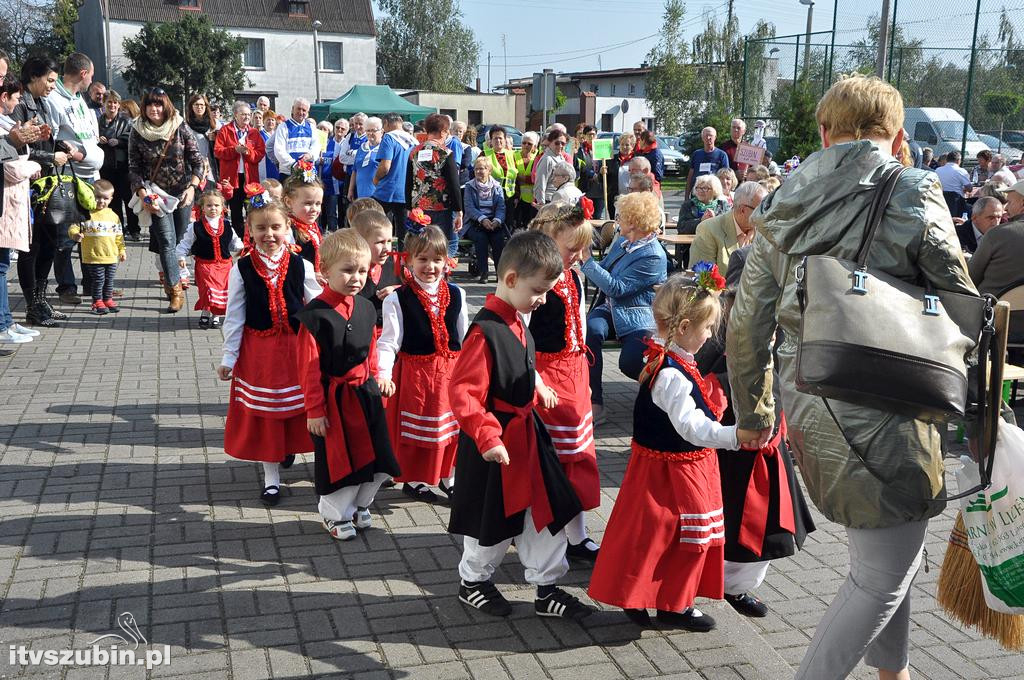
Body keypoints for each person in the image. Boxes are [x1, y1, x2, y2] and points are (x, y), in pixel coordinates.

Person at [727, 74, 977, 680]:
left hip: (810, 399)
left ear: (823, 131)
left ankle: (895, 673)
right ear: (896, 135)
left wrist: (757, 415)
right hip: (895, 397)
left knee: (882, 558)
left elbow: (745, 326)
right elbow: (960, 303)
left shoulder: (780, 201)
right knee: (881, 574)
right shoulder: (914, 190)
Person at [590, 272, 757, 631]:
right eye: (708, 327)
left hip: (668, 467)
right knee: (683, 539)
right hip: (676, 473)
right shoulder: (671, 374)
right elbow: (691, 427)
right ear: (683, 326)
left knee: (656, 537)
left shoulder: (669, 358)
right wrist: (735, 436)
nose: (711, 334)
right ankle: (668, 603)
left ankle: (658, 600)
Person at [447, 230, 592, 621]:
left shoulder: (516, 318)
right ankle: (473, 581)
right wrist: (487, 435)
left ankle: (547, 589)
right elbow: (463, 393)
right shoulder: (485, 331)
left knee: (544, 513)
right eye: (539, 291)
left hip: (528, 438)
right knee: (491, 521)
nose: (543, 299)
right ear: (511, 280)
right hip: (496, 446)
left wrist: (539, 385)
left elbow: (521, 364)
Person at [294, 228, 400, 539]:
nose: (356, 278)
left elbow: (370, 347)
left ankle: (360, 503)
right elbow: (308, 368)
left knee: (378, 455)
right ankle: (334, 513)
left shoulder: (366, 307)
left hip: (365, 393)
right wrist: (314, 410)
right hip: (334, 400)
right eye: (347, 270)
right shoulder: (314, 317)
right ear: (324, 271)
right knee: (340, 459)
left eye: (362, 271)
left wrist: (379, 375)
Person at [218, 188, 321, 505]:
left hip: (294, 350)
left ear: (287, 228)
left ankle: (311, 462)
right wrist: (229, 357)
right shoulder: (242, 268)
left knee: (301, 408)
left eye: (276, 227)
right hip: (259, 353)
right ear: (249, 230)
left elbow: (316, 305)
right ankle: (271, 477)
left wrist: (327, 343)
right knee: (267, 415)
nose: (269, 234)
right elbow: (234, 316)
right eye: (261, 228)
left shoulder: (300, 264)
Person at [526, 202, 601, 562]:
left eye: (581, 248)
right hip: (545, 377)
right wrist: (534, 379)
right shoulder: (533, 279)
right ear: (546, 239)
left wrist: (586, 378)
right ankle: (541, 533)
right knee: (553, 461)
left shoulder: (572, 276)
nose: (578, 255)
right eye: (571, 248)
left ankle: (577, 534)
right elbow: (518, 335)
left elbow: (581, 326)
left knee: (579, 456)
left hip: (574, 373)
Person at [377, 225, 468, 503]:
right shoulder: (397, 298)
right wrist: (383, 372)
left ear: (446, 261)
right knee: (420, 432)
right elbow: (389, 341)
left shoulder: (457, 293)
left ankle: (448, 477)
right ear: (409, 260)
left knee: (451, 429)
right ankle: (415, 479)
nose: (430, 266)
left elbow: (464, 338)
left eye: (437, 259)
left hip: (450, 373)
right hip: (416, 375)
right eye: (423, 259)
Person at [581, 191, 667, 425]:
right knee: (591, 331)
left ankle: (661, 396)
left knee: (629, 362)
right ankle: (595, 402)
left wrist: (587, 262)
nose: (617, 219)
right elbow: (605, 270)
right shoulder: (622, 242)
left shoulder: (654, 256)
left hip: (637, 316)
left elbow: (618, 288)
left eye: (622, 216)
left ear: (635, 221)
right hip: (609, 310)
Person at [11, 55, 83, 327]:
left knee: (50, 243)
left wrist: (62, 148)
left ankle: (42, 299)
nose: (53, 85)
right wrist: (49, 158)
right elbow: (18, 149)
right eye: (50, 80)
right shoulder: (20, 104)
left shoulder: (41, 103)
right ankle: (32, 304)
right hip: (28, 185)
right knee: (32, 247)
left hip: (47, 186)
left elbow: (48, 139)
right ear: (33, 77)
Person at [128, 88, 204, 313]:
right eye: (150, 104)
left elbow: (197, 161)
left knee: (180, 239)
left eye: (159, 104)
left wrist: (192, 187)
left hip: (182, 194)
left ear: (166, 106)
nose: (155, 109)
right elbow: (133, 168)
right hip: (155, 195)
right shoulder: (137, 130)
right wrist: (143, 194)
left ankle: (172, 278)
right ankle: (175, 289)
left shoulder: (180, 126)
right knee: (167, 242)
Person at [48, 52, 103, 305]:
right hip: (68, 176)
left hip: (90, 175)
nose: (92, 80)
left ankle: (92, 284)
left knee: (90, 231)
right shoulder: (54, 99)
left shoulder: (79, 99)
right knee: (67, 233)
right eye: (91, 75)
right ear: (83, 74)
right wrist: (75, 154)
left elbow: (88, 135)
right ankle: (66, 287)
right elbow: (53, 137)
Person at [0, 74, 41, 344]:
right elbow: (11, 167)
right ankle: (3, 324)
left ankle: (6, 321)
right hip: (6, 203)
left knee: (3, 265)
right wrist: (35, 165)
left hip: (12, 203)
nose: (17, 103)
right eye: (15, 98)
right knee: (1, 267)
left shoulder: (7, 123)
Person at [175, 188, 242, 329]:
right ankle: (205, 314)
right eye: (209, 205)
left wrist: (242, 248)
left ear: (222, 207)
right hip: (205, 265)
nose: (213, 208)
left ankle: (216, 316)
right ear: (202, 208)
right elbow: (185, 243)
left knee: (220, 292)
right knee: (207, 290)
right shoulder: (196, 226)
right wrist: (180, 255)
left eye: (217, 205)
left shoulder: (227, 225)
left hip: (224, 265)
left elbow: (235, 242)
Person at [405, 113, 463, 256]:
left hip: (419, 209)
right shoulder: (445, 153)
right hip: (442, 208)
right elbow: (453, 184)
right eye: (447, 131)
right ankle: (441, 273)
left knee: (421, 245)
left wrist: (408, 207)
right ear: (443, 131)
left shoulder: (414, 152)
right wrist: (459, 210)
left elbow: (408, 182)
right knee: (448, 244)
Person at [67, 179, 124, 315]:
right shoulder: (86, 213)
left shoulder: (113, 216)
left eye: (105, 198)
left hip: (111, 256)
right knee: (99, 280)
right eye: (98, 197)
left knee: (109, 280)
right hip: (93, 256)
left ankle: (107, 299)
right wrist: (75, 235)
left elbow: (119, 235)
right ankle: (97, 301)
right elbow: (73, 227)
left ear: (111, 199)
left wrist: (122, 250)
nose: (101, 201)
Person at [688, 181, 769, 274]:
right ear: (743, 210)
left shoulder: (765, 231)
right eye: (761, 210)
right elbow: (703, 279)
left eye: (767, 208)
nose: (766, 214)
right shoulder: (708, 229)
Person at [213, 101, 265, 236]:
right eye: (243, 114)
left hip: (250, 179)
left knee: (251, 211)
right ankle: (239, 241)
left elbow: (260, 153)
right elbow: (217, 151)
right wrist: (234, 150)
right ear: (235, 115)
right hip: (232, 178)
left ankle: (252, 239)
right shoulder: (225, 130)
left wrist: (248, 153)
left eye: (248, 114)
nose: (246, 117)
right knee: (235, 211)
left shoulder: (254, 132)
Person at [350, 209, 401, 334]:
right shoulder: (349, 270)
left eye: (389, 241)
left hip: (391, 334)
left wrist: (396, 290)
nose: (386, 248)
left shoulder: (395, 262)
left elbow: (414, 288)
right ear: (360, 241)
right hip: (361, 334)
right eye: (380, 242)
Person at [969, 183, 1024, 295]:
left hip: (990, 307)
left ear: (1023, 203)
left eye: (1009, 202)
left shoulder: (998, 234)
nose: (1006, 208)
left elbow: (970, 278)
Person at [97, 91, 138, 241]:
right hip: (106, 165)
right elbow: (92, 135)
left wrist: (119, 141)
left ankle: (134, 229)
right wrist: (98, 139)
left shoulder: (126, 120)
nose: (112, 105)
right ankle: (118, 228)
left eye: (115, 102)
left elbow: (132, 137)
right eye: (109, 102)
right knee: (113, 200)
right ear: (104, 104)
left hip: (123, 165)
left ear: (119, 105)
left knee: (128, 199)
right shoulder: (98, 120)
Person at [463, 156, 510, 283]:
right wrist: (482, 219)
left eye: (482, 169)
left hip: (493, 221)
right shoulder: (469, 186)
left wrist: (497, 220)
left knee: (498, 239)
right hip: (475, 222)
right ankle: (484, 272)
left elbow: (501, 207)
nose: (478, 171)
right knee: (481, 238)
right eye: (476, 169)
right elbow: (469, 208)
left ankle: (500, 273)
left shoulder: (497, 187)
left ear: (489, 170)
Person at [373, 113, 416, 245]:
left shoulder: (389, 138)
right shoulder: (414, 141)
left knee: (374, 225)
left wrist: (376, 178)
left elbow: (385, 166)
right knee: (403, 232)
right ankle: (403, 263)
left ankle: (375, 258)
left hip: (387, 190)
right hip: (406, 192)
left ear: (386, 123)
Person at [283, 163, 325, 278]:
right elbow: (287, 264)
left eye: (318, 204)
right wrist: (310, 275)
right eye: (308, 203)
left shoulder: (314, 227)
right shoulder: (288, 230)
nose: (314, 209)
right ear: (288, 202)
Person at [272, 98, 319, 175]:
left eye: (304, 110)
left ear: (307, 112)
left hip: (307, 172)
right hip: (288, 173)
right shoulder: (283, 127)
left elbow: (316, 146)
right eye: (298, 109)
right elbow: (279, 150)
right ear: (293, 109)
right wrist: (294, 165)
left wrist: (310, 155)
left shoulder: (311, 127)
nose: (301, 112)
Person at [320, 118, 348, 232]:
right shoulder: (327, 143)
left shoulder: (348, 143)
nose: (339, 130)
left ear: (347, 131)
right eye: (337, 127)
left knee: (342, 211)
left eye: (343, 128)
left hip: (344, 183)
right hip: (329, 183)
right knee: (330, 212)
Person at [572, 125, 605, 220]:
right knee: (586, 217)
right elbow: (580, 166)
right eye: (589, 135)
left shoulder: (601, 149)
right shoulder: (580, 150)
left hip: (600, 189)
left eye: (593, 134)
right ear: (585, 136)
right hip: (586, 188)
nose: (591, 137)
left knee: (598, 217)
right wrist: (593, 175)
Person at [484, 126, 518, 218]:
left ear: (505, 139)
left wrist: (516, 197)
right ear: (490, 140)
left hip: (509, 197)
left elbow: (516, 177)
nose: (498, 141)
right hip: (491, 197)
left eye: (500, 138)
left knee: (509, 224)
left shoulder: (512, 155)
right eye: (495, 138)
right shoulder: (485, 154)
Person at [687, 127, 730, 198]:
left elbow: (725, 177)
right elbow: (690, 177)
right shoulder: (696, 154)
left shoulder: (722, 155)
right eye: (706, 135)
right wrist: (686, 197)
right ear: (702, 137)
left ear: (715, 137)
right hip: (697, 194)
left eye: (711, 135)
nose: (708, 137)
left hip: (714, 194)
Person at [348, 116, 382, 201]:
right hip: (361, 194)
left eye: (373, 130)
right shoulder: (362, 148)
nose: (370, 133)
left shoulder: (384, 148)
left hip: (378, 195)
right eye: (368, 130)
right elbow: (355, 170)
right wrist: (350, 190)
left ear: (381, 131)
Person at [532, 129, 568, 207]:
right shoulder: (547, 159)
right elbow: (540, 183)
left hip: (559, 199)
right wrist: (541, 203)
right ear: (550, 143)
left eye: (563, 143)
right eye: (557, 143)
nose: (560, 146)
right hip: (548, 200)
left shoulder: (561, 157)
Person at [186, 95, 218, 180]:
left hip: (211, 163)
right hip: (193, 164)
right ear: (191, 107)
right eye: (196, 105)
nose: (199, 107)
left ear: (206, 106)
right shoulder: (186, 125)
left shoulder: (215, 124)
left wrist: (214, 139)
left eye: (201, 105)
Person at [514, 131, 540, 227]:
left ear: (535, 146)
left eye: (530, 144)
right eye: (524, 143)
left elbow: (536, 178)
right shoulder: (514, 156)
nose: (526, 145)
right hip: (517, 197)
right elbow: (512, 176)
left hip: (532, 199)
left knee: (528, 224)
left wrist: (522, 178)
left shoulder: (536, 159)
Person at [606, 132, 635, 219]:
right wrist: (601, 173)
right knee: (615, 221)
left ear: (632, 146)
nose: (624, 147)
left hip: (632, 198)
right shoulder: (611, 159)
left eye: (627, 144)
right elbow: (602, 180)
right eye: (622, 144)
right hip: (615, 198)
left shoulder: (636, 159)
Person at [935, 150, 971, 217]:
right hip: (957, 203)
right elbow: (969, 189)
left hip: (941, 200)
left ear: (947, 160)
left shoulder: (937, 170)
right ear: (958, 160)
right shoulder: (961, 171)